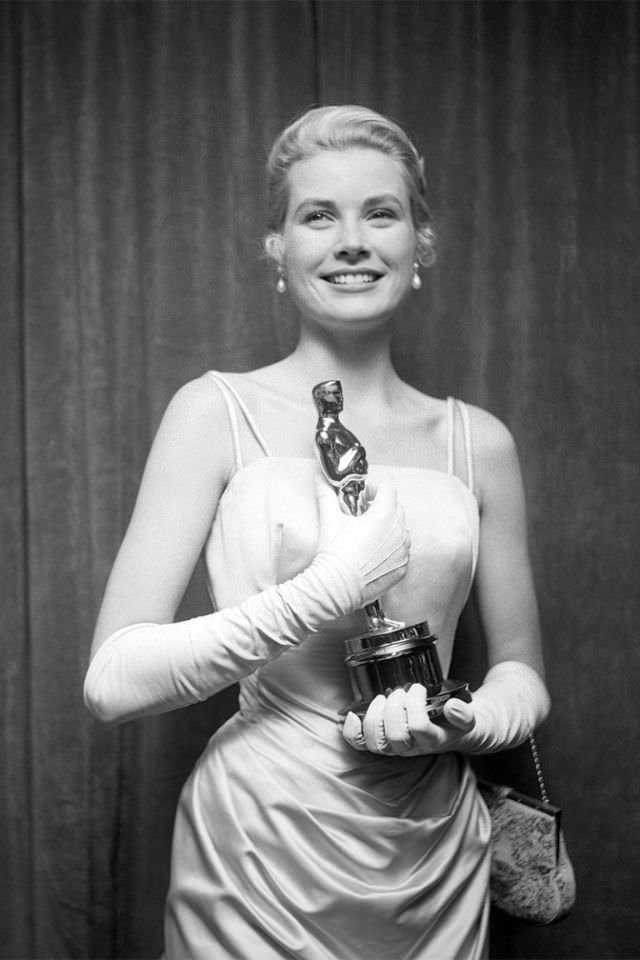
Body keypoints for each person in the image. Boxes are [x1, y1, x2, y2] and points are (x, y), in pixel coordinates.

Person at [84, 105, 550, 959]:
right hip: (255, 853)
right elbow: (113, 681)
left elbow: (520, 667)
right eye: (318, 215)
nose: (351, 241)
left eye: (380, 212)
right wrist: (331, 586)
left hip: (438, 855)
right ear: (279, 252)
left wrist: (470, 724)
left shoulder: (478, 441)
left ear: (422, 245)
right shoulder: (211, 412)